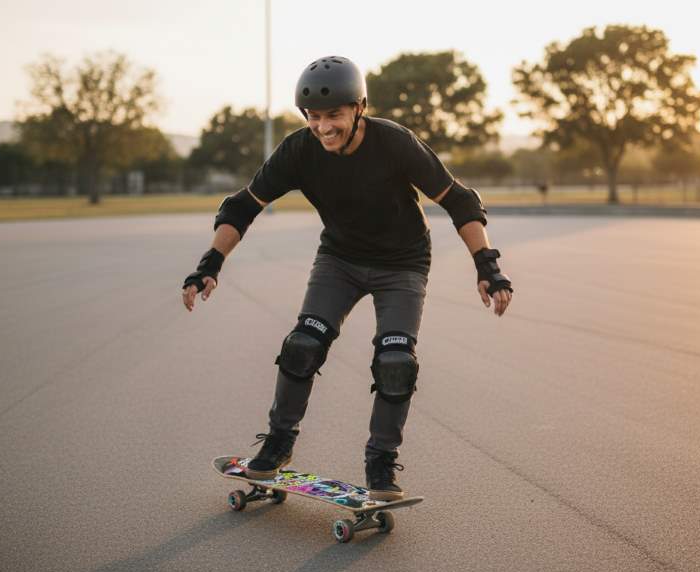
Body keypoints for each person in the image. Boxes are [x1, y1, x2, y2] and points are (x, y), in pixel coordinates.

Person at [182, 56, 513, 501]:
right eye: (313, 117)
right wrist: (210, 264)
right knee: (303, 345)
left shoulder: (394, 143)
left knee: (396, 364)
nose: (323, 128)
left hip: (403, 263)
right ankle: (278, 443)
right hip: (339, 260)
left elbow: (458, 200)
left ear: (359, 108)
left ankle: (381, 463)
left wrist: (487, 266)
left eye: (333, 115)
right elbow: (244, 205)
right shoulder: (298, 150)